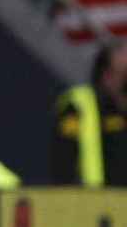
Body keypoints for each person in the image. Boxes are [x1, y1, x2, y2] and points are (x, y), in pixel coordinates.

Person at [53, 42, 127, 187]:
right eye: (121, 52)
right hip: (94, 201)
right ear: (107, 74)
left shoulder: (121, 109)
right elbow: (63, 162)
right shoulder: (79, 104)